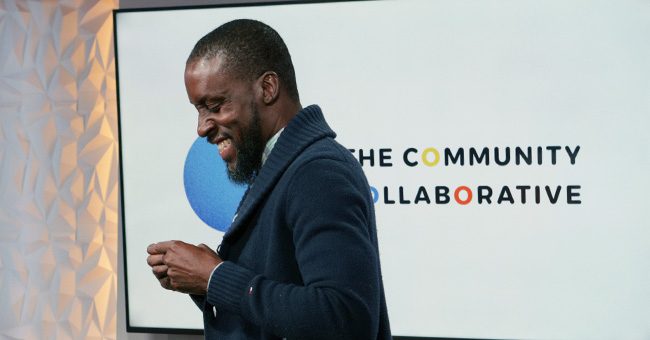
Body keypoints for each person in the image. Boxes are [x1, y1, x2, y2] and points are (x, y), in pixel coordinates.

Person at [146, 19, 391, 340]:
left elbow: (344, 318)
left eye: (215, 106)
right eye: (198, 109)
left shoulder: (317, 172)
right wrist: (202, 281)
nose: (202, 127)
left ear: (268, 88)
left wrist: (215, 277)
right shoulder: (279, 166)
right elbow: (279, 296)